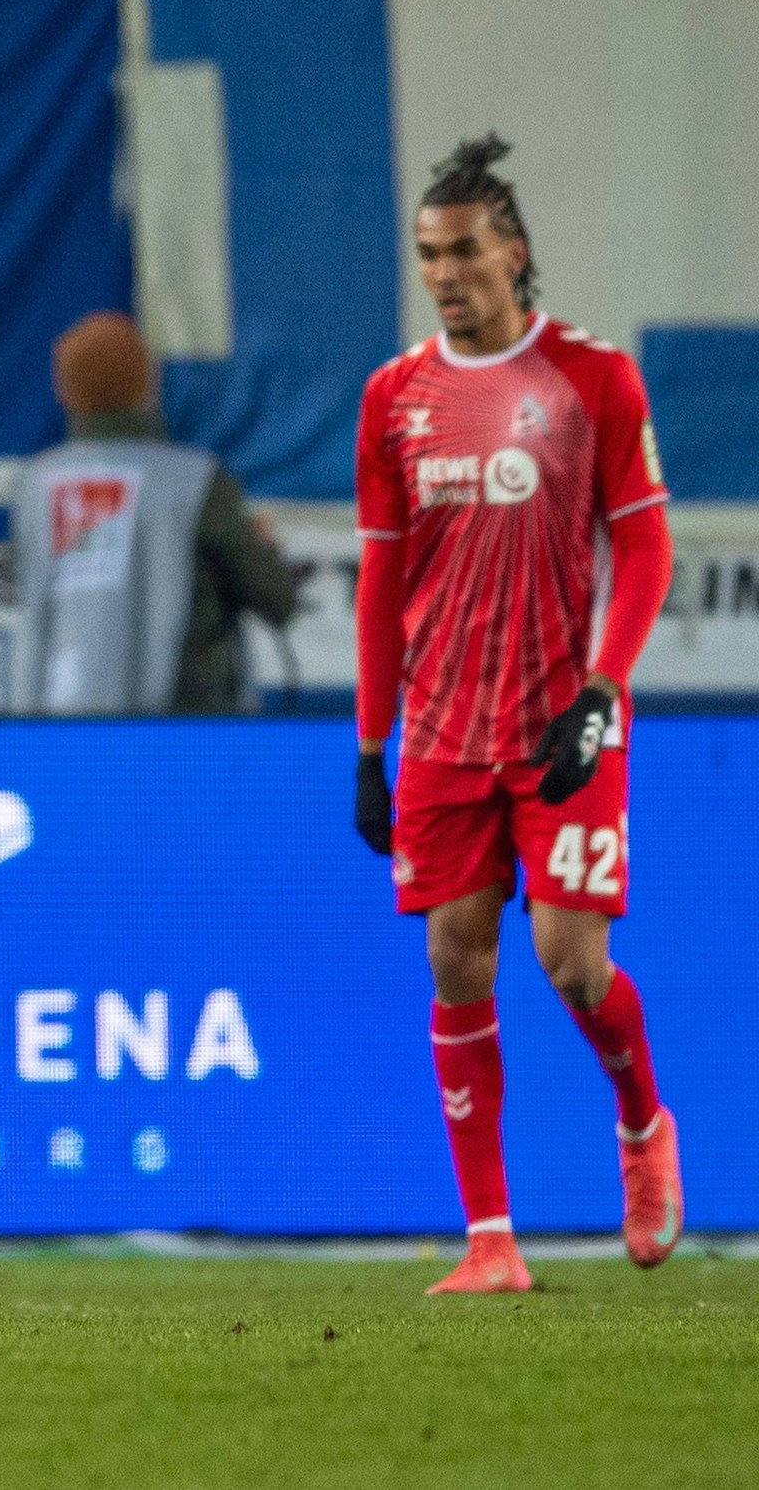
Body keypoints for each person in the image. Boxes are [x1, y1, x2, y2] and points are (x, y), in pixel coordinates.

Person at [353, 135, 680, 1294]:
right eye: (426, 255)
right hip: (442, 727)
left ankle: (640, 1122)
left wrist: (602, 687)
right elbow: (383, 576)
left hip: (561, 721)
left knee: (569, 962)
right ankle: (489, 1242)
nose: (443, 274)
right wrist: (366, 740)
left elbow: (642, 543)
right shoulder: (392, 397)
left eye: (463, 252)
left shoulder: (591, 379)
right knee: (453, 958)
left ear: (515, 253)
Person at [45, 311, 299, 713]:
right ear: (149, 384)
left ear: (64, 390)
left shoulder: (38, 487)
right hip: (188, 729)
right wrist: (262, 550)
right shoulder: (192, 481)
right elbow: (274, 597)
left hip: (63, 727)